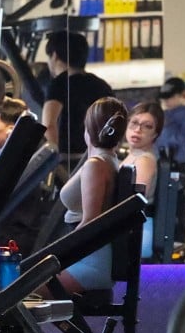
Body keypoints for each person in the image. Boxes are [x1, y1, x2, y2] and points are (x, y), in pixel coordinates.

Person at [38, 96, 129, 297]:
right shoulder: (109, 160)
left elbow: (90, 222)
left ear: (88, 128)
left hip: (89, 264)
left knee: (14, 294)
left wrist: (55, 255)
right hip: (91, 258)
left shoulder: (95, 165)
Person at [41, 30, 113, 169]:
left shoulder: (59, 84)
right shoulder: (101, 85)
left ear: (54, 55)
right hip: (98, 158)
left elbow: (49, 125)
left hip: (68, 162)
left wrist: (52, 163)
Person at [155, 76, 185, 242]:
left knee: (177, 203)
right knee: (162, 204)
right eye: (164, 98)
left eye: (171, 97)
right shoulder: (164, 115)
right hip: (161, 162)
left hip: (178, 164)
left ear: (182, 95)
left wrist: (166, 126)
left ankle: (178, 241)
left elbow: (184, 139)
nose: (166, 101)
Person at [121, 101, 164, 259]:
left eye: (147, 126)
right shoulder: (132, 155)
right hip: (128, 225)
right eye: (134, 123)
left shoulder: (144, 160)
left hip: (136, 230)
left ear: (155, 134)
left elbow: (134, 200)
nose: (138, 130)